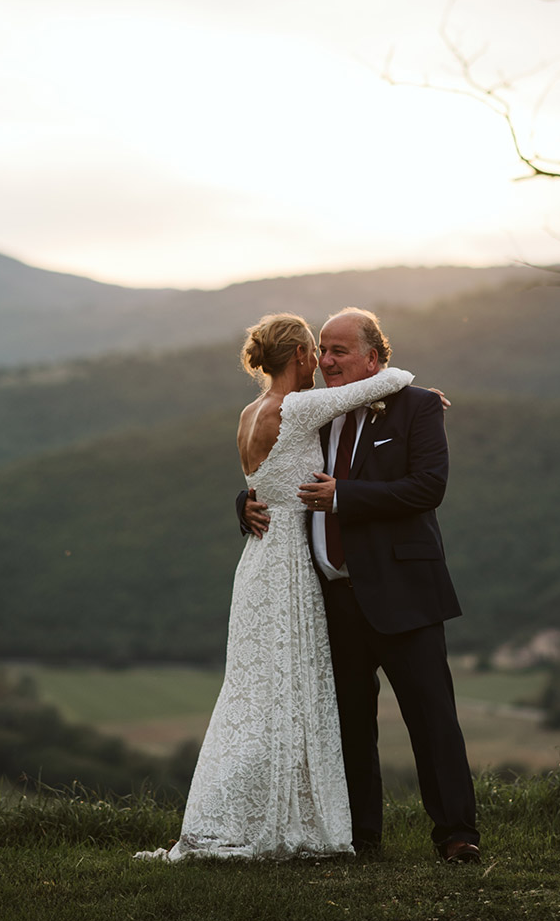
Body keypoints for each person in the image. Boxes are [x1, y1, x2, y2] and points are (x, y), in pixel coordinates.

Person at [138, 312, 412, 861]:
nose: (321, 362)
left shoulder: (248, 412)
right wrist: (420, 392)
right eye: (315, 352)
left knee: (257, 692)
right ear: (299, 357)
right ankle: (278, 815)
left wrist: (246, 505)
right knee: (288, 689)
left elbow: (259, 482)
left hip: (257, 561)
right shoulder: (298, 406)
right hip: (288, 562)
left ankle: (248, 808)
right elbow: (386, 379)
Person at [240, 307, 480, 863]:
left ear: (374, 357)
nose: (326, 361)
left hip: (404, 591)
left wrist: (344, 496)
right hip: (332, 599)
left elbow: (428, 487)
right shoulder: (314, 414)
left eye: (340, 351)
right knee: (347, 724)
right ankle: (359, 838)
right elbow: (272, 467)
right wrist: (244, 502)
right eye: (321, 351)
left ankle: (456, 835)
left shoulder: (418, 407)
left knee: (431, 718)